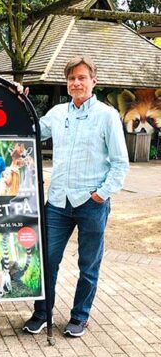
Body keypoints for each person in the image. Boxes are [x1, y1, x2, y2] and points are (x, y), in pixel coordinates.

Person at [22, 56, 129, 337]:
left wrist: (101, 194)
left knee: (88, 264)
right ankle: (42, 313)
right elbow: (31, 129)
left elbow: (120, 162)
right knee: (46, 260)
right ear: (66, 83)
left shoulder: (107, 116)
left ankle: (80, 316)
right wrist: (19, 100)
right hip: (57, 203)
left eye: (82, 77)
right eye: (71, 78)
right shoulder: (57, 113)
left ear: (93, 81)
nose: (76, 83)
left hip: (91, 204)